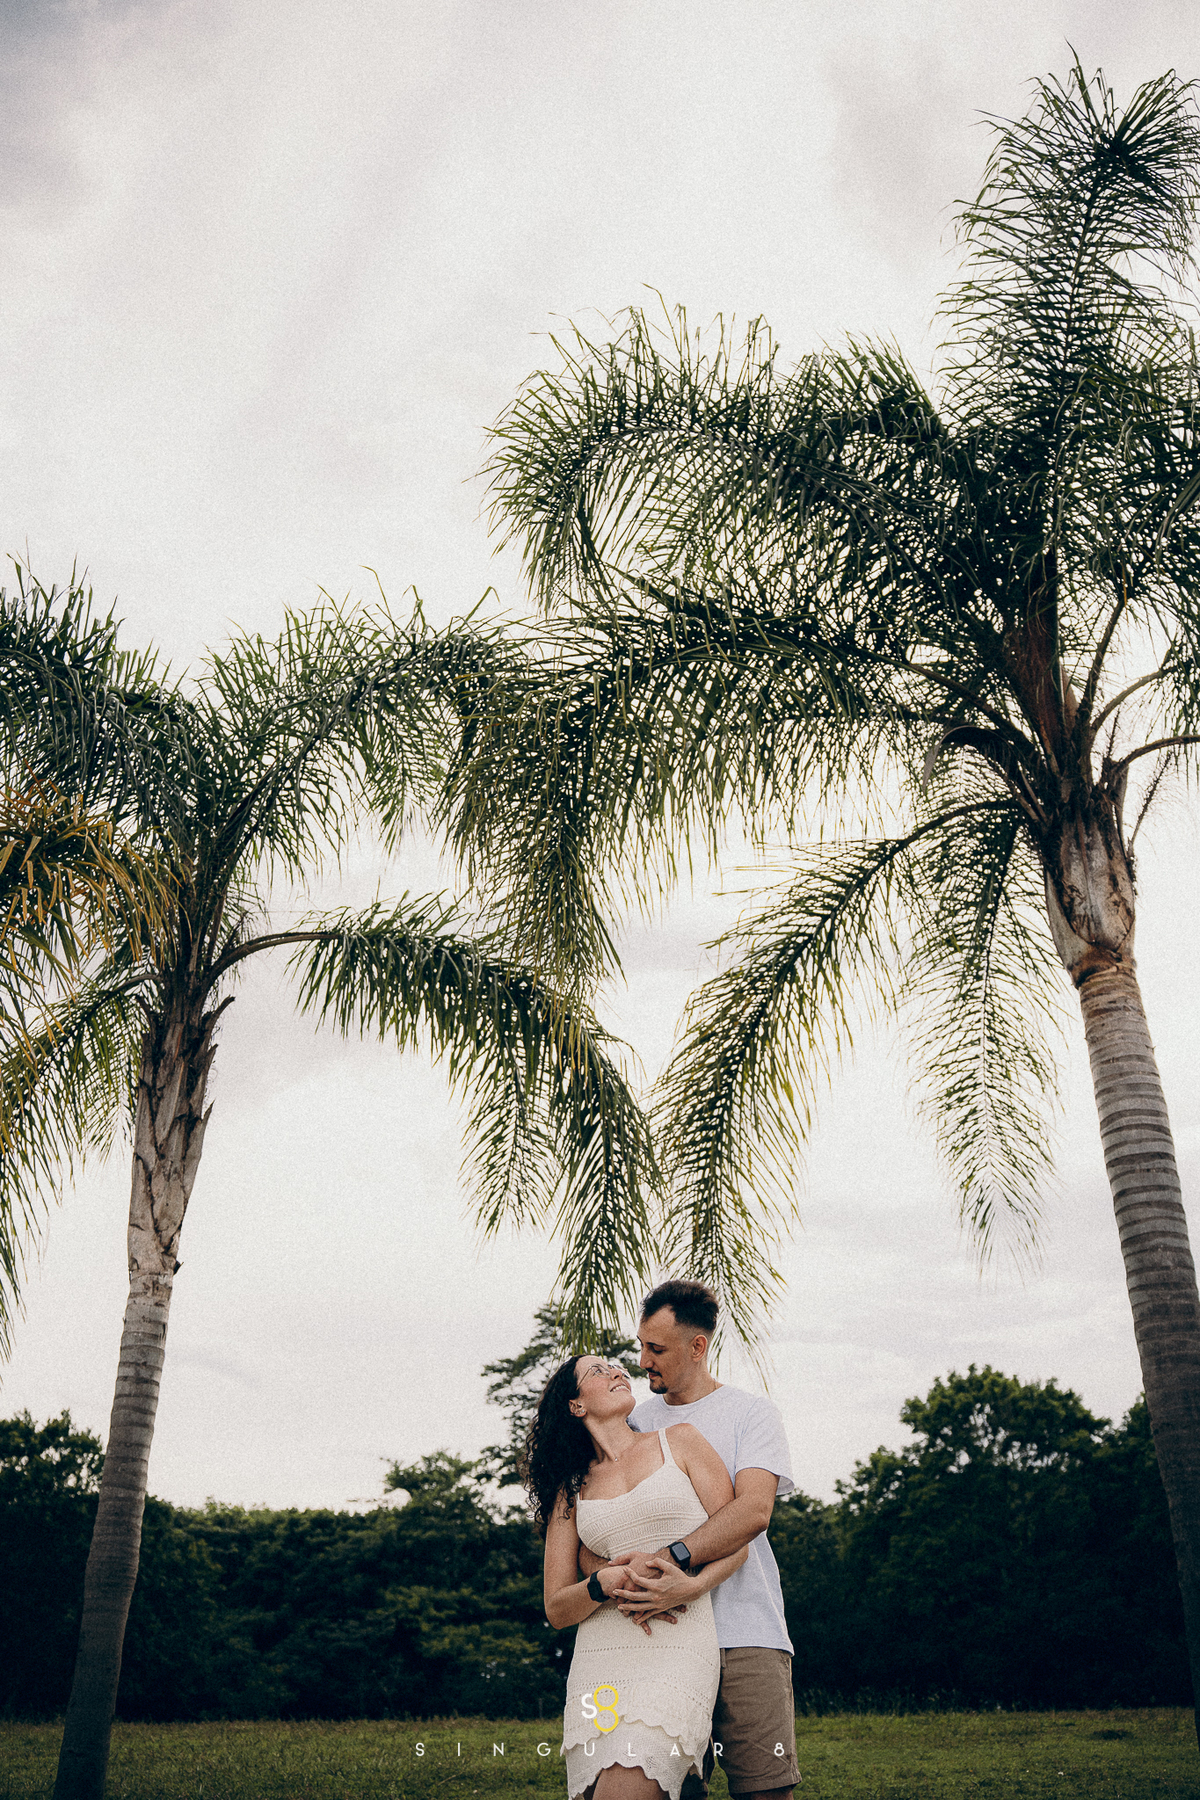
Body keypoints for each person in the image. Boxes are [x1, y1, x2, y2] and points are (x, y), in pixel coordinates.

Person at [578, 1280, 801, 1800]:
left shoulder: (751, 1414)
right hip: (660, 1640)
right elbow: (598, 1518)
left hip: (745, 1632)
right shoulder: (631, 1421)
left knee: (764, 1789)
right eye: (641, 1346)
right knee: (670, 1789)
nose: (642, 1360)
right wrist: (623, 1578)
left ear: (696, 1347)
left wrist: (671, 1564)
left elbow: (753, 1510)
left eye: (655, 1349)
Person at [527, 1352, 751, 1799]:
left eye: (615, 1365)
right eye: (598, 1370)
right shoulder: (571, 1490)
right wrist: (601, 1583)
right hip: (602, 1655)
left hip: (678, 1643)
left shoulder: (681, 1441)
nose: (616, 1370)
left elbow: (737, 1541)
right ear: (576, 1405)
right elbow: (556, 1608)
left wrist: (693, 1584)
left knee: (628, 1785)